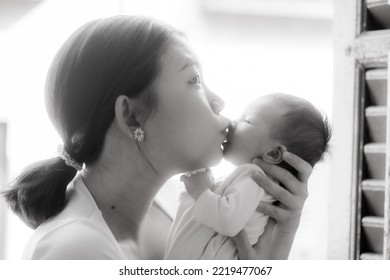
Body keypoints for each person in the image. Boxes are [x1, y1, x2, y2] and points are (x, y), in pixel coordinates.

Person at [2, 16, 312, 260]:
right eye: (194, 80)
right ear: (132, 115)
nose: (218, 102)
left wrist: (278, 242)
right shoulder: (74, 253)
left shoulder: (170, 215)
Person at [165, 93, 331, 259]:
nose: (232, 122)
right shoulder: (252, 181)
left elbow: (228, 221)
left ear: (273, 153)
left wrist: (200, 191)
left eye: (246, 121)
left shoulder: (254, 177)